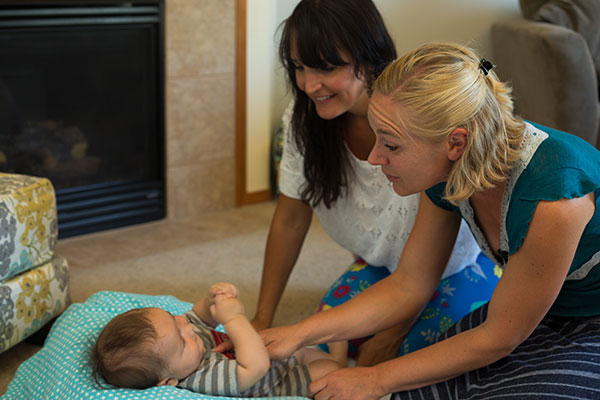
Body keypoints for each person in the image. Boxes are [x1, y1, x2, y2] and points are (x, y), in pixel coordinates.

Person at [258, 41, 600, 400]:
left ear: (456, 142)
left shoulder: (554, 196)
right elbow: (408, 285)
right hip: (536, 308)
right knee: (422, 387)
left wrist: (375, 379)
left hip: (589, 320)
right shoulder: (449, 172)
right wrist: (299, 332)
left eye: (391, 146)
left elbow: (499, 337)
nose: (374, 158)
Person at [252, 0, 497, 366]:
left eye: (325, 67)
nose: (307, 84)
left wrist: (389, 336)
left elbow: (419, 275)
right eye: (298, 67)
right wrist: (261, 319)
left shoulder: (421, 125)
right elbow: (290, 219)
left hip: (454, 266)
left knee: (419, 356)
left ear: (368, 56)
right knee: (327, 334)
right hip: (387, 267)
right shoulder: (305, 121)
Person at [91, 282, 343, 398]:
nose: (185, 326)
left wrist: (212, 298)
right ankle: (338, 360)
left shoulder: (186, 348)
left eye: (173, 318)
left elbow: (199, 316)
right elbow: (256, 367)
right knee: (330, 373)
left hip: (280, 360)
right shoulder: (202, 378)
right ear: (168, 381)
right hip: (280, 383)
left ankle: (332, 354)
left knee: (303, 351)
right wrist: (234, 319)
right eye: (181, 340)